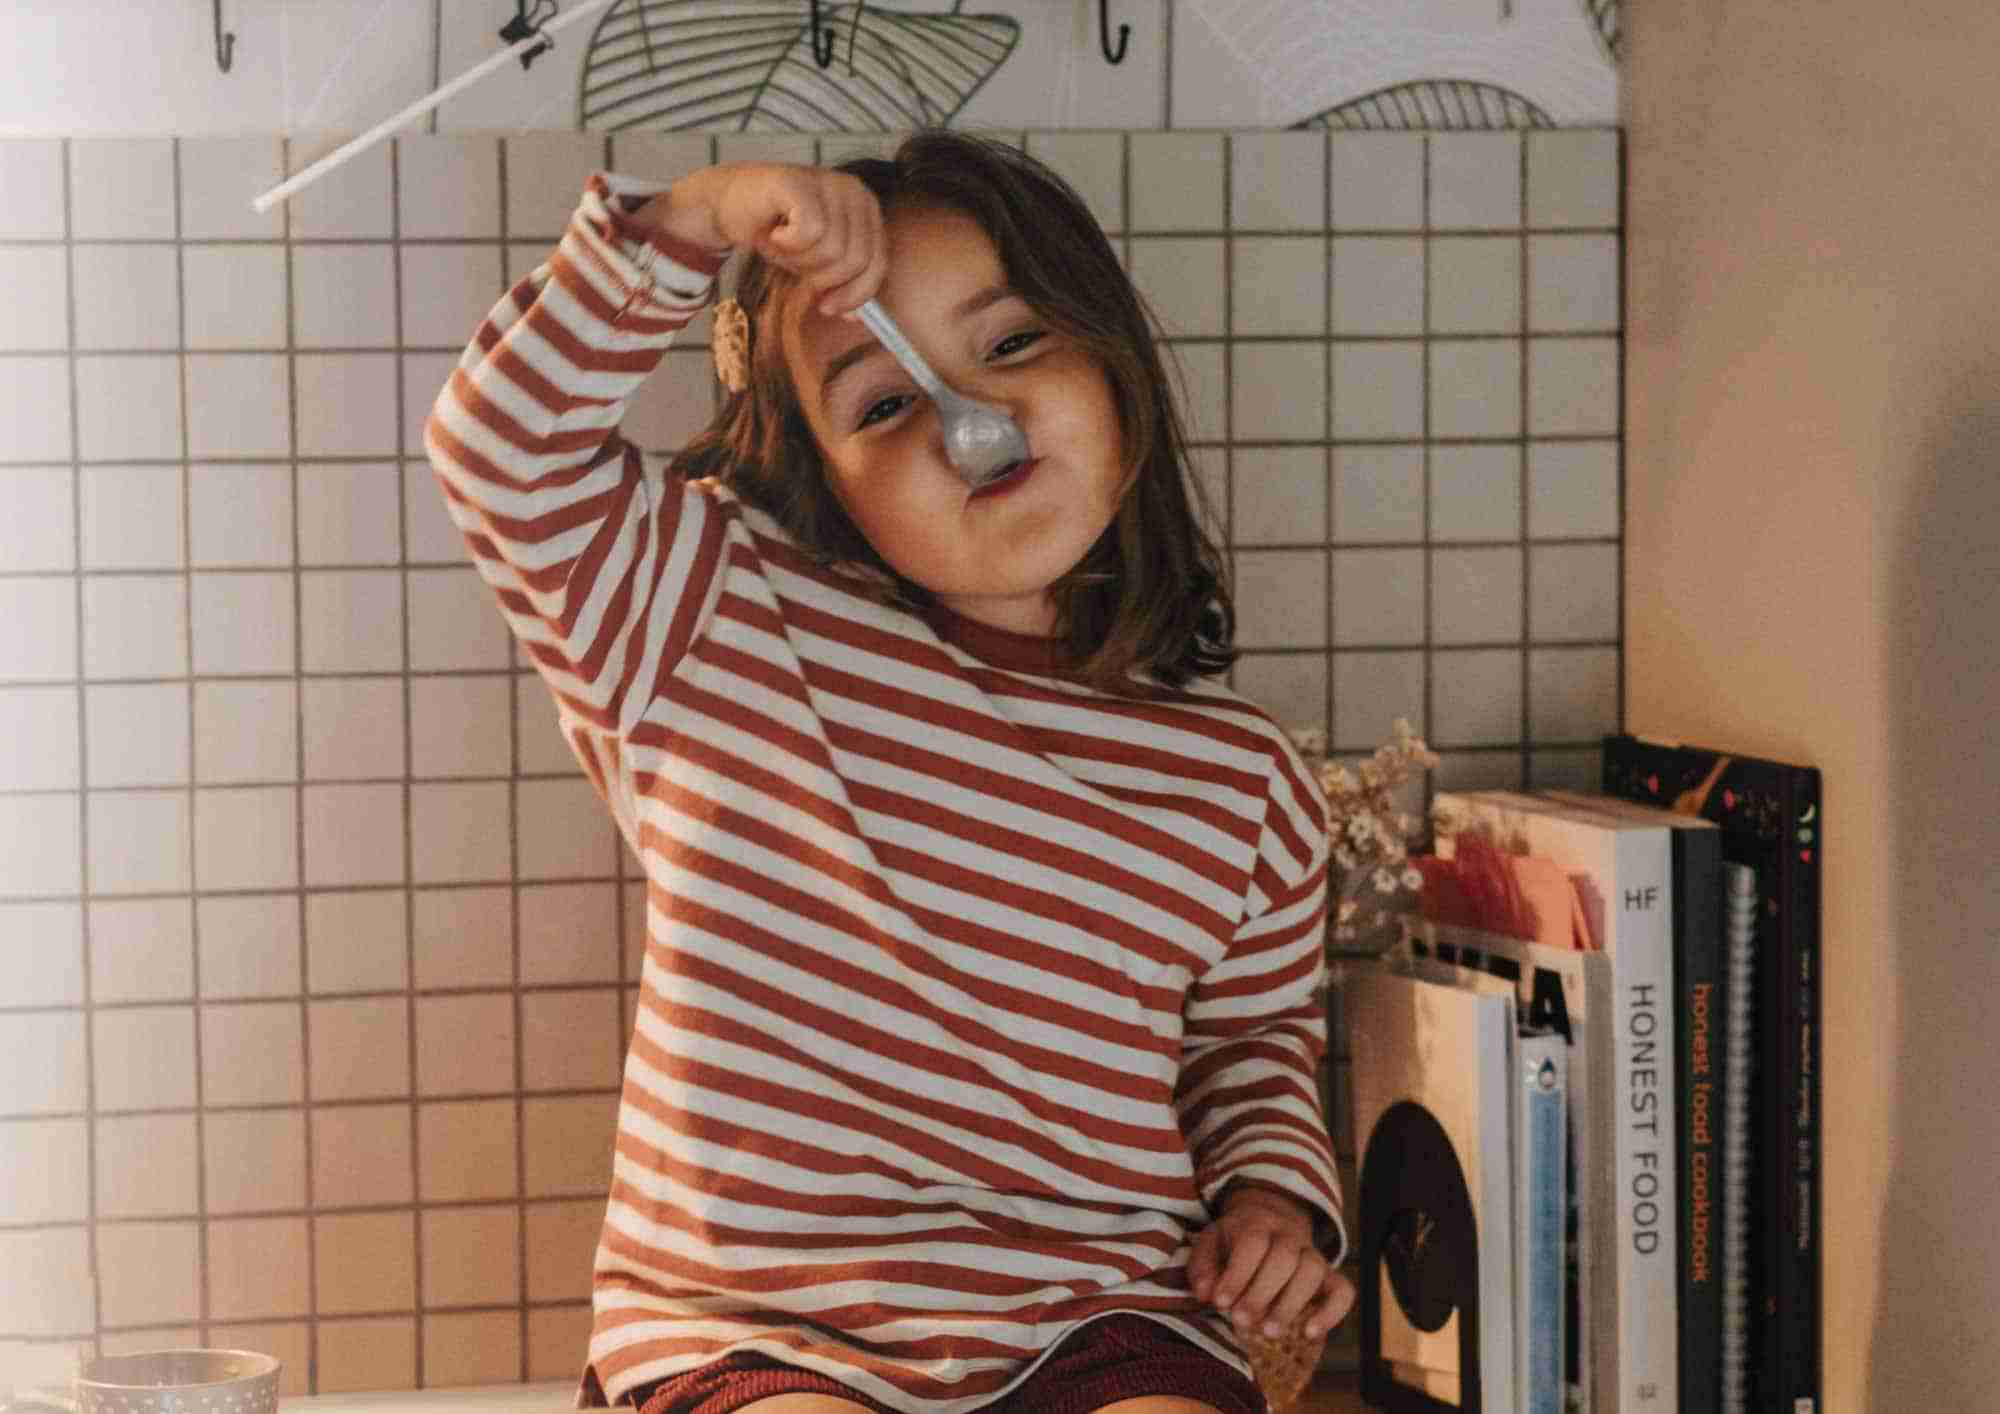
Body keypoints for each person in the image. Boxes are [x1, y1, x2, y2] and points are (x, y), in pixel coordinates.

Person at [425, 129, 1354, 1414]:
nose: (971, 417)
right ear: (825, 481)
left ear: (1115, 366)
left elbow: (1249, 1045)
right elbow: (498, 451)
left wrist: (1269, 1201)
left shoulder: (1240, 781)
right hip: (750, 1319)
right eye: (880, 401)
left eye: (1014, 342)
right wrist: (696, 220)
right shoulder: (714, 617)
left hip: (1099, 1308)